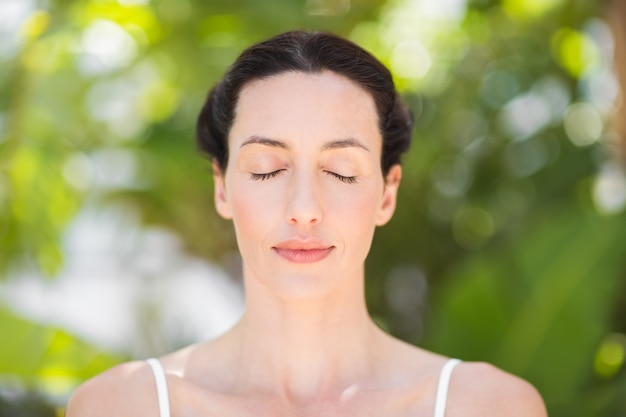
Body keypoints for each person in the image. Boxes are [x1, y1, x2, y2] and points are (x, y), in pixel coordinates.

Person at [66, 30, 547, 417]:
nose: (304, 208)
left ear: (387, 193)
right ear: (222, 187)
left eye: (341, 171)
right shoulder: (123, 406)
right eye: (267, 169)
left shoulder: (487, 407)